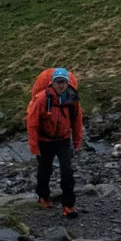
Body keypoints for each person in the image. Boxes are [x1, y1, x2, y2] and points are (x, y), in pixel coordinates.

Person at [27, 63, 84, 215]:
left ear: (67, 83)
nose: (61, 85)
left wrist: (77, 142)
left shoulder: (72, 99)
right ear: (52, 83)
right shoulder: (41, 99)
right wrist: (34, 147)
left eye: (63, 82)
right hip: (44, 141)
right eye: (58, 82)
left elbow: (77, 121)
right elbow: (32, 123)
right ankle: (43, 196)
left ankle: (68, 205)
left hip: (63, 140)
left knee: (67, 171)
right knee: (44, 170)